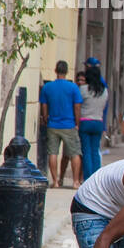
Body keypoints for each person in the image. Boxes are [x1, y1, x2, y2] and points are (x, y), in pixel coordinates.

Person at [40, 60, 83, 189]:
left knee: (53, 153)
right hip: (69, 124)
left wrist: (46, 118)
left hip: (53, 124)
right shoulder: (73, 87)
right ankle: (75, 182)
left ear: (55, 70)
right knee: (75, 153)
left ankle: (55, 181)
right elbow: (77, 106)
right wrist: (77, 122)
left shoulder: (48, 87)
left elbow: (44, 105)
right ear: (67, 71)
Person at [77, 62, 109, 180]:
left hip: (85, 122)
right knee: (95, 151)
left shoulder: (83, 89)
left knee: (86, 152)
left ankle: (88, 178)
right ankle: (96, 178)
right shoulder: (104, 91)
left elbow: (78, 105)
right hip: (98, 122)